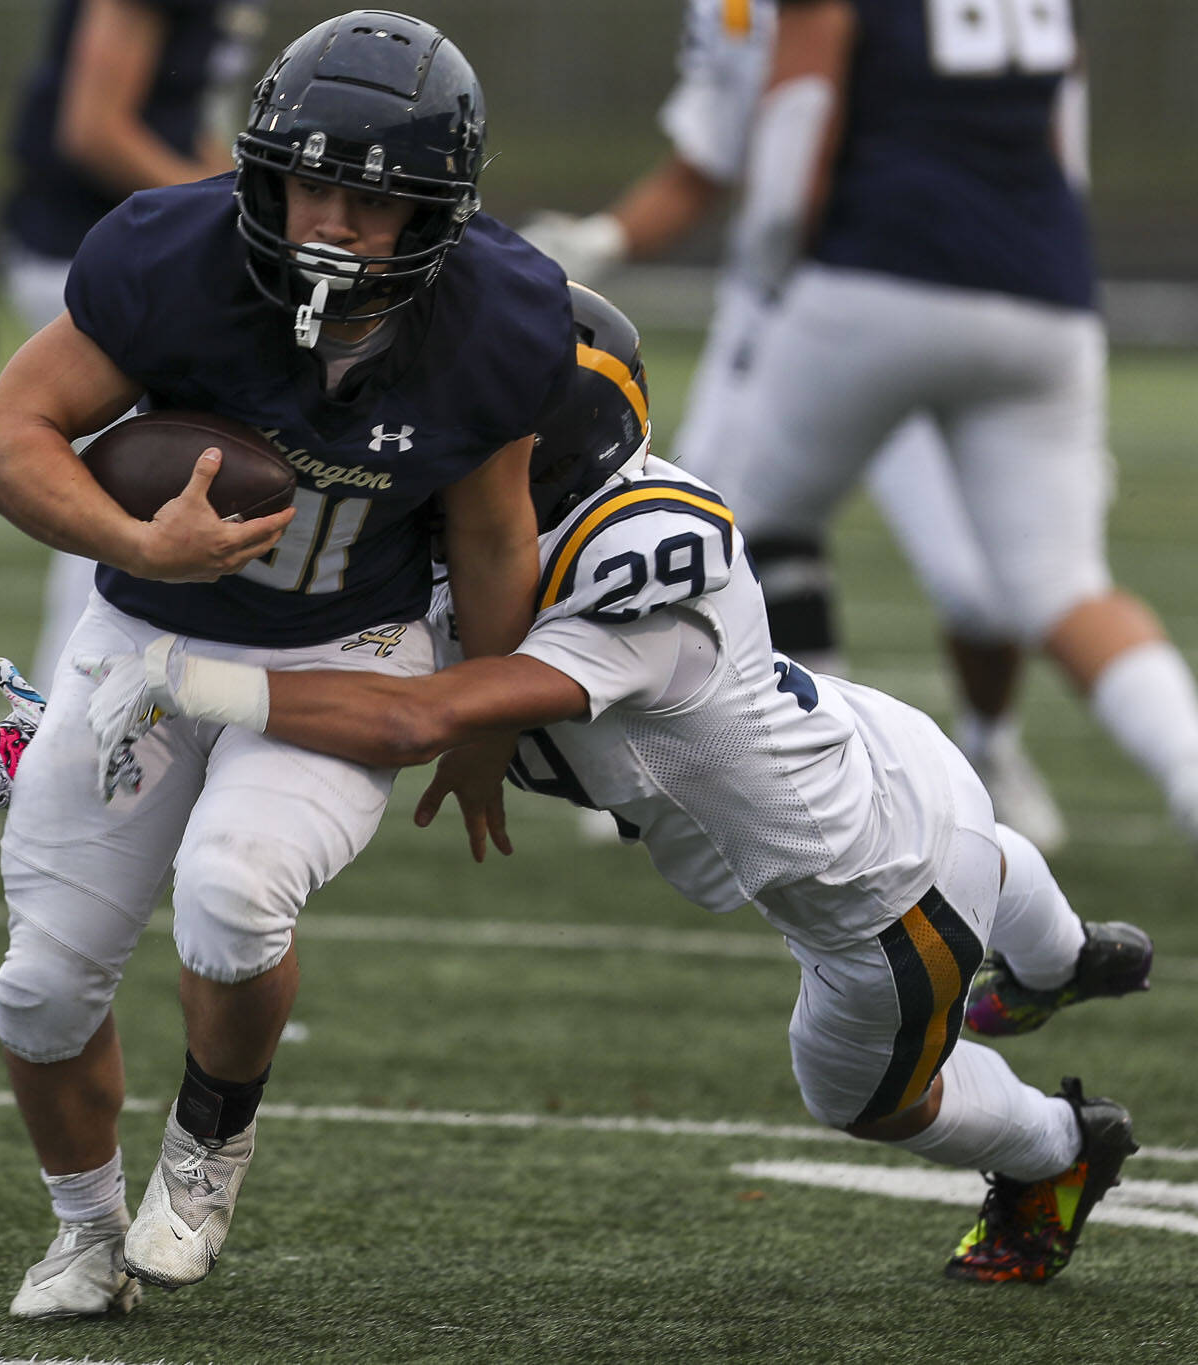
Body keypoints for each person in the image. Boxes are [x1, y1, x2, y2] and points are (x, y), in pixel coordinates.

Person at [79, 285, 1153, 1285]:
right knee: (976, 844)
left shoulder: (637, 567)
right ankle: (1058, 956)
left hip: (878, 898)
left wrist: (183, 678)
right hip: (887, 756)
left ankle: (1058, 1147)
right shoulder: (546, 517)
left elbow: (414, 716)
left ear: (537, 445)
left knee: (866, 1098)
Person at [0, 10, 571, 1316]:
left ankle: (208, 1146)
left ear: (436, 213)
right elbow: (2, 437)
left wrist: (478, 728)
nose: (331, 222)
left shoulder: (501, 316)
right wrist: (140, 538)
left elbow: (493, 531)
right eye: (311, 182)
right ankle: (83, 1232)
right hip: (147, 646)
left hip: (349, 651)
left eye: (371, 199)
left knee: (233, 891)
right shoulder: (171, 257)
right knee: (39, 982)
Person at [521, 0, 1065, 851]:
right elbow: (710, 161)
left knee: (977, 586)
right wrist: (605, 239)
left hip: (890, 288)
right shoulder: (732, 12)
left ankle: (986, 751)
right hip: (806, 307)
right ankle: (717, 765)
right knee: (689, 534)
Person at [709, 0, 1198, 847]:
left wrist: (772, 280)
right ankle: (1190, 772)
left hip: (880, 274)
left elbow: (794, 151)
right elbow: (1061, 135)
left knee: (735, 523)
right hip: (1047, 290)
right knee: (1066, 587)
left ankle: (835, 796)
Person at [0, 0, 270, 694]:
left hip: (148, 252)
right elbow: (94, 128)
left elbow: (195, 138)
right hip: (94, 255)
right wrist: (239, 231)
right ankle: (60, 716)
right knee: (118, 496)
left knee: (143, 495)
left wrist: (258, 207)